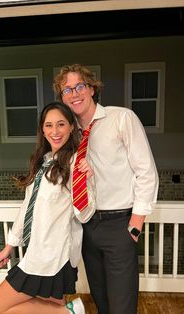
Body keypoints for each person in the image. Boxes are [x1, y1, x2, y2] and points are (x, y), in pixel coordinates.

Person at [53, 64, 159, 314]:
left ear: (91, 89)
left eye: (79, 86)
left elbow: (146, 171)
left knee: (122, 306)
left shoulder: (121, 118)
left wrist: (135, 224)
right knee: (101, 301)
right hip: (86, 226)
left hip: (119, 225)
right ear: (62, 96)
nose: (74, 93)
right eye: (66, 90)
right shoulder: (69, 134)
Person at [0, 101, 96, 314]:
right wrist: (9, 247)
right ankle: (70, 311)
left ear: (72, 127)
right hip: (37, 251)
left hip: (54, 255)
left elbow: (84, 215)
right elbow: (28, 206)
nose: (54, 131)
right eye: (48, 125)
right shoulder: (43, 161)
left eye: (61, 124)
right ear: (42, 129)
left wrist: (84, 184)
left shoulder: (76, 163)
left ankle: (70, 312)